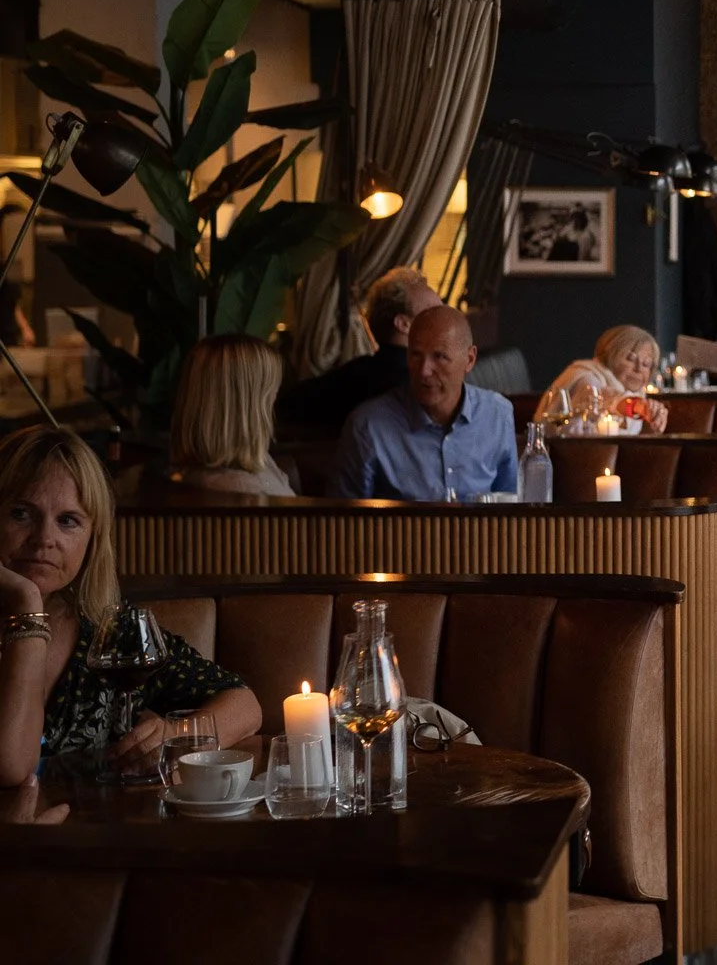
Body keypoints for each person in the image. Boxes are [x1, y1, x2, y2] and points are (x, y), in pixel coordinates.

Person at [0, 426, 262, 786]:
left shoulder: (108, 631)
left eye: (67, 521)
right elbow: (10, 766)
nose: (45, 538)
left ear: (92, 538)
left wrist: (175, 735)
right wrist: (28, 606)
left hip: (98, 835)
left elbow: (244, 705)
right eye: (21, 514)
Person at [331, 306, 518, 502]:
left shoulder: (497, 414)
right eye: (416, 355)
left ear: (469, 359)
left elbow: (511, 505)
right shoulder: (368, 426)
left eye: (439, 357)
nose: (424, 371)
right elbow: (343, 520)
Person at [279, 267, 443, 436]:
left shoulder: (354, 374)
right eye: (434, 313)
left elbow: (287, 403)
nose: (447, 321)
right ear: (404, 324)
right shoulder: (427, 384)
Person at [170, 334, 295, 496]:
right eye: (269, 391)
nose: (274, 397)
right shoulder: (243, 491)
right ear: (247, 405)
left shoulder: (251, 463)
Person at [544, 325, 669, 432]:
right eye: (630, 359)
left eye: (646, 364)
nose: (638, 369)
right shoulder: (586, 376)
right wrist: (636, 406)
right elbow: (604, 397)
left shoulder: (639, 393)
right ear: (610, 355)